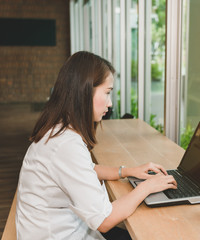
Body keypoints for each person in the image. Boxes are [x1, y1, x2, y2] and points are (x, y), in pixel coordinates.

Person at [15, 51, 177, 240]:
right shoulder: (66, 145)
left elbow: (85, 169)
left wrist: (126, 171)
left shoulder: (58, 128)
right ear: (84, 92)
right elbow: (104, 220)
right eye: (107, 93)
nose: (109, 104)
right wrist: (146, 187)